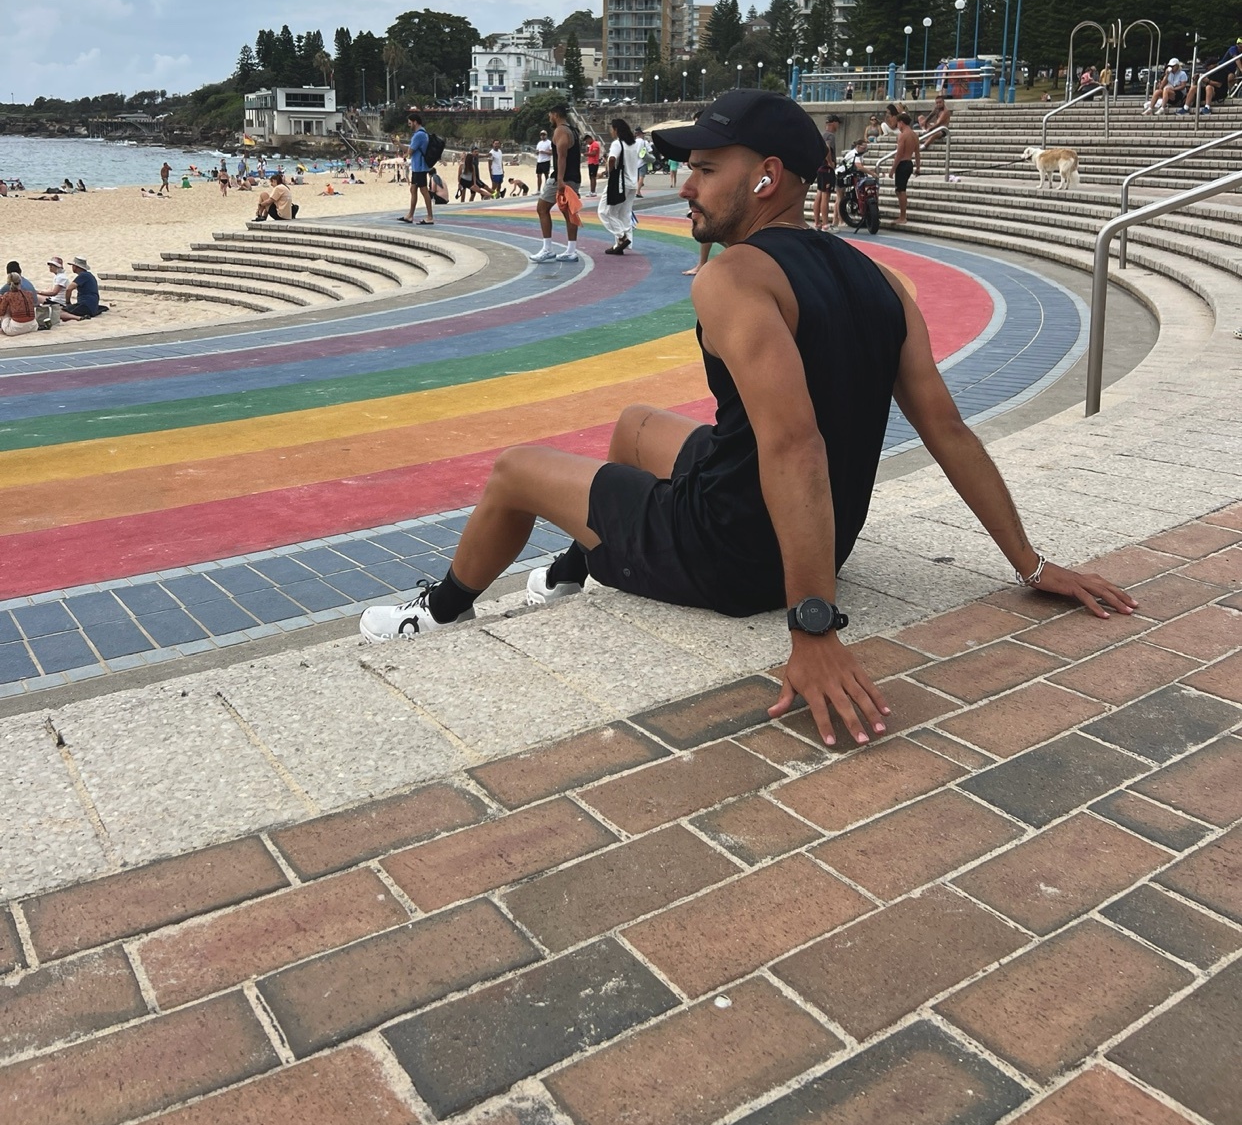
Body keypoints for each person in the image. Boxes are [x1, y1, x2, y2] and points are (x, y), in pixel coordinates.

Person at [357, 89, 1135, 747]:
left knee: (514, 472)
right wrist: (1031, 566)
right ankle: (576, 568)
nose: (686, 186)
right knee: (632, 426)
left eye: (703, 170)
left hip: (732, 552)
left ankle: (437, 613)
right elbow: (950, 432)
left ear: (765, 179)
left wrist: (814, 627)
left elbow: (793, 444)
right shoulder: (885, 283)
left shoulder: (734, 280)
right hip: (819, 535)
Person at [533, 102, 582, 263]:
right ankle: (571, 250)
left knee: (542, 208)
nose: (549, 118)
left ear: (555, 115)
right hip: (574, 176)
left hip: (562, 178)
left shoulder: (560, 130)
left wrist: (560, 180)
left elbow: (562, 156)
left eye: (550, 115)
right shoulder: (574, 130)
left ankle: (547, 249)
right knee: (569, 213)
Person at [598, 117, 640, 256]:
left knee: (604, 211)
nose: (611, 131)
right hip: (633, 183)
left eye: (611, 129)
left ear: (616, 130)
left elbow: (612, 159)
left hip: (620, 183)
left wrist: (609, 173)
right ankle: (620, 244)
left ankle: (621, 238)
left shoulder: (617, 144)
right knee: (623, 213)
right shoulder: (633, 144)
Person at [402, 111, 435, 224]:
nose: (409, 125)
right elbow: (410, 151)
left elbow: (409, 152)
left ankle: (430, 217)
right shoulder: (422, 133)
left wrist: (398, 144)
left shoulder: (419, 135)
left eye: (410, 123)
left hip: (420, 167)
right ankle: (410, 215)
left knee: (424, 191)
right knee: (413, 189)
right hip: (417, 167)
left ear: (415, 122)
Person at [890, 113, 921, 226]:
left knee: (901, 190)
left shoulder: (903, 135)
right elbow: (917, 153)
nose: (897, 125)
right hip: (909, 163)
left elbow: (899, 154)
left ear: (901, 123)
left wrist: (892, 169)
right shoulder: (914, 135)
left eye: (898, 123)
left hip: (903, 163)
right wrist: (918, 167)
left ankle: (903, 217)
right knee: (899, 190)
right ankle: (902, 215)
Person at [812, 116, 840, 231]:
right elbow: (827, 147)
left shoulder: (821, 135)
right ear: (833, 123)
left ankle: (817, 222)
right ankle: (825, 224)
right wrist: (830, 162)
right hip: (826, 168)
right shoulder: (830, 136)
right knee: (825, 196)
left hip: (819, 168)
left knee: (819, 194)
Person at [635, 129, 651, 195]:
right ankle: (638, 191)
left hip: (634, 162)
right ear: (641, 134)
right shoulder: (644, 142)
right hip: (642, 162)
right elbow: (650, 150)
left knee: (636, 177)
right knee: (642, 176)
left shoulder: (632, 142)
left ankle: (636, 189)